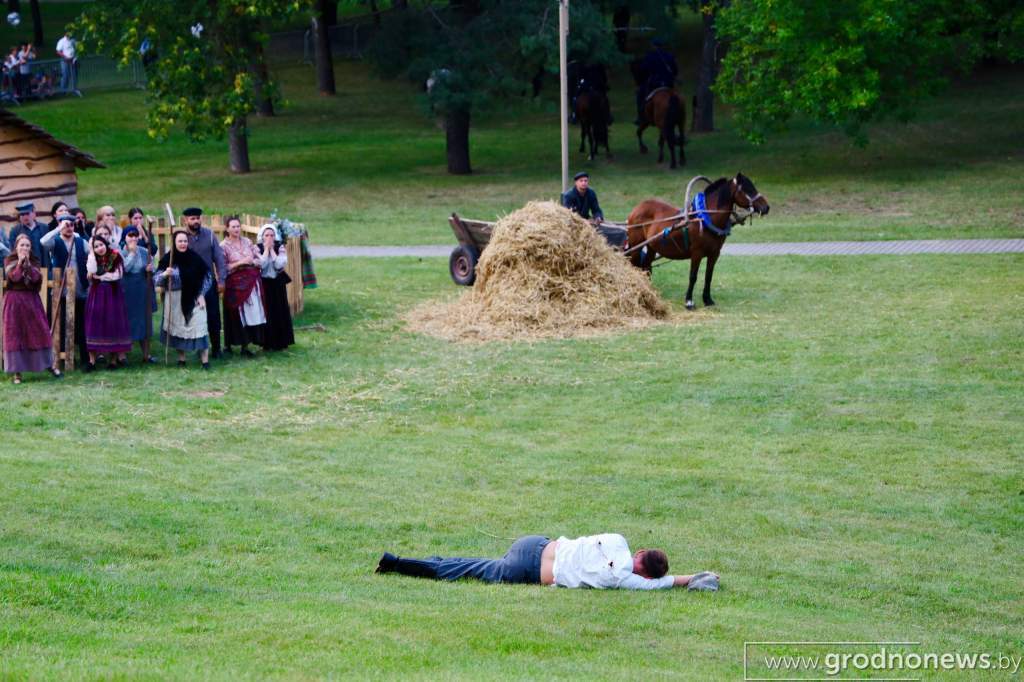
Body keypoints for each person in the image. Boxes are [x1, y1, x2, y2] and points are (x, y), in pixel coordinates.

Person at [376, 533, 718, 590]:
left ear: (641, 552)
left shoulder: (618, 540)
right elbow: (661, 584)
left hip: (535, 543)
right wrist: (692, 578)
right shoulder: (625, 580)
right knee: (462, 568)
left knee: (461, 562)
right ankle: (396, 563)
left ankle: (403, 561)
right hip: (527, 572)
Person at [3, 234, 60, 384]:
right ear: (16, 246)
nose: (25, 248)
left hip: (31, 300)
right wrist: (20, 264)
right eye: (22, 245)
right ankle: (17, 372)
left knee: (40, 331)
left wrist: (27, 265)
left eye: (27, 245)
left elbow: (36, 279)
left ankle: (49, 364)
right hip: (14, 301)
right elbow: (14, 278)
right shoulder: (9, 260)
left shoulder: (34, 261)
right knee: (15, 335)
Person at [154, 230, 212, 370]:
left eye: (185, 241)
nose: (183, 244)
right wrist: (164, 274)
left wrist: (201, 293)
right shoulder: (168, 259)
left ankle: (205, 361)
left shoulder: (194, 258)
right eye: (180, 241)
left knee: (200, 326)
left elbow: (208, 276)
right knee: (178, 329)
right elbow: (156, 280)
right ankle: (181, 359)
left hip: (194, 297)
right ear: (174, 242)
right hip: (174, 298)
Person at [40, 215, 89, 367]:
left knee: (81, 325)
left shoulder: (81, 241)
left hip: (80, 287)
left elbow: (91, 253)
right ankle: (61, 358)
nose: (69, 227)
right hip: (61, 288)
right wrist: (58, 229)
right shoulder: (56, 241)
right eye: (66, 225)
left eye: (71, 225)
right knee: (61, 325)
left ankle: (85, 359)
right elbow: (43, 242)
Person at [182, 207, 226, 358]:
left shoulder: (210, 235)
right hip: (189, 285)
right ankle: (198, 348)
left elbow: (219, 258)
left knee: (213, 316)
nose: (195, 221)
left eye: (197, 218)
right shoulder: (181, 237)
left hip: (209, 284)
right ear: (185, 220)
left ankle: (217, 348)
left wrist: (221, 279)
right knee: (194, 317)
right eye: (192, 218)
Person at [84, 236, 131, 371]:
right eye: (96, 246)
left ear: (106, 244)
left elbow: (117, 275)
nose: (100, 248)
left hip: (112, 293)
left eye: (101, 245)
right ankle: (92, 360)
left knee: (113, 324)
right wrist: (92, 254)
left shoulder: (115, 256)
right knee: (94, 323)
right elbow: (91, 270)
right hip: (97, 294)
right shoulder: (92, 258)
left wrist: (100, 277)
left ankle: (113, 360)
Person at [221, 216, 266, 356]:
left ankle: (246, 346)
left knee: (250, 315)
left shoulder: (247, 241)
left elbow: (259, 260)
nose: (236, 229)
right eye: (233, 226)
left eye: (238, 226)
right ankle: (229, 344)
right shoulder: (223, 246)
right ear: (227, 228)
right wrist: (241, 262)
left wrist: (254, 262)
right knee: (236, 315)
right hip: (234, 284)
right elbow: (223, 267)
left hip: (251, 282)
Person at [121, 226, 156, 363]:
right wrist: (132, 253)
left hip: (142, 289)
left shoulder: (145, 251)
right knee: (126, 321)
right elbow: (125, 268)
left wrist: (150, 268)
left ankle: (146, 354)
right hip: (127, 289)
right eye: (130, 235)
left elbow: (153, 267)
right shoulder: (120, 252)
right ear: (125, 237)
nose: (133, 238)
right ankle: (122, 355)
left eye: (135, 235)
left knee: (144, 321)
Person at [256, 224, 294, 351]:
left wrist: (272, 250)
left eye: (272, 235)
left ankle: (282, 342)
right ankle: (267, 343)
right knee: (267, 313)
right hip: (264, 284)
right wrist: (266, 250)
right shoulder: (257, 248)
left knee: (280, 310)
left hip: (277, 284)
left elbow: (279, 264)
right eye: (266, 235)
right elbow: (261, 264)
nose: (269, 238)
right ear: (262, 236)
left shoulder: (280, 247)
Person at [636, 37, 678, 124]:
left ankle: (641, 117)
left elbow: (643, 69)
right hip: (669, 83)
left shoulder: (650, 56)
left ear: (653, 46)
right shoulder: (669, 55)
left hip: (655, 83)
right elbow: (675, 70)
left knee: (640, 94)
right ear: (662, 46)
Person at [8, 202, 48, 267]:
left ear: (34, 213)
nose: (25, 216)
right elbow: (13, 252)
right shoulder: (15, 231)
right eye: (22, 214)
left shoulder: (44, 228)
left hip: (43, 268)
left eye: (27, 213)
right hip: (23, 268)